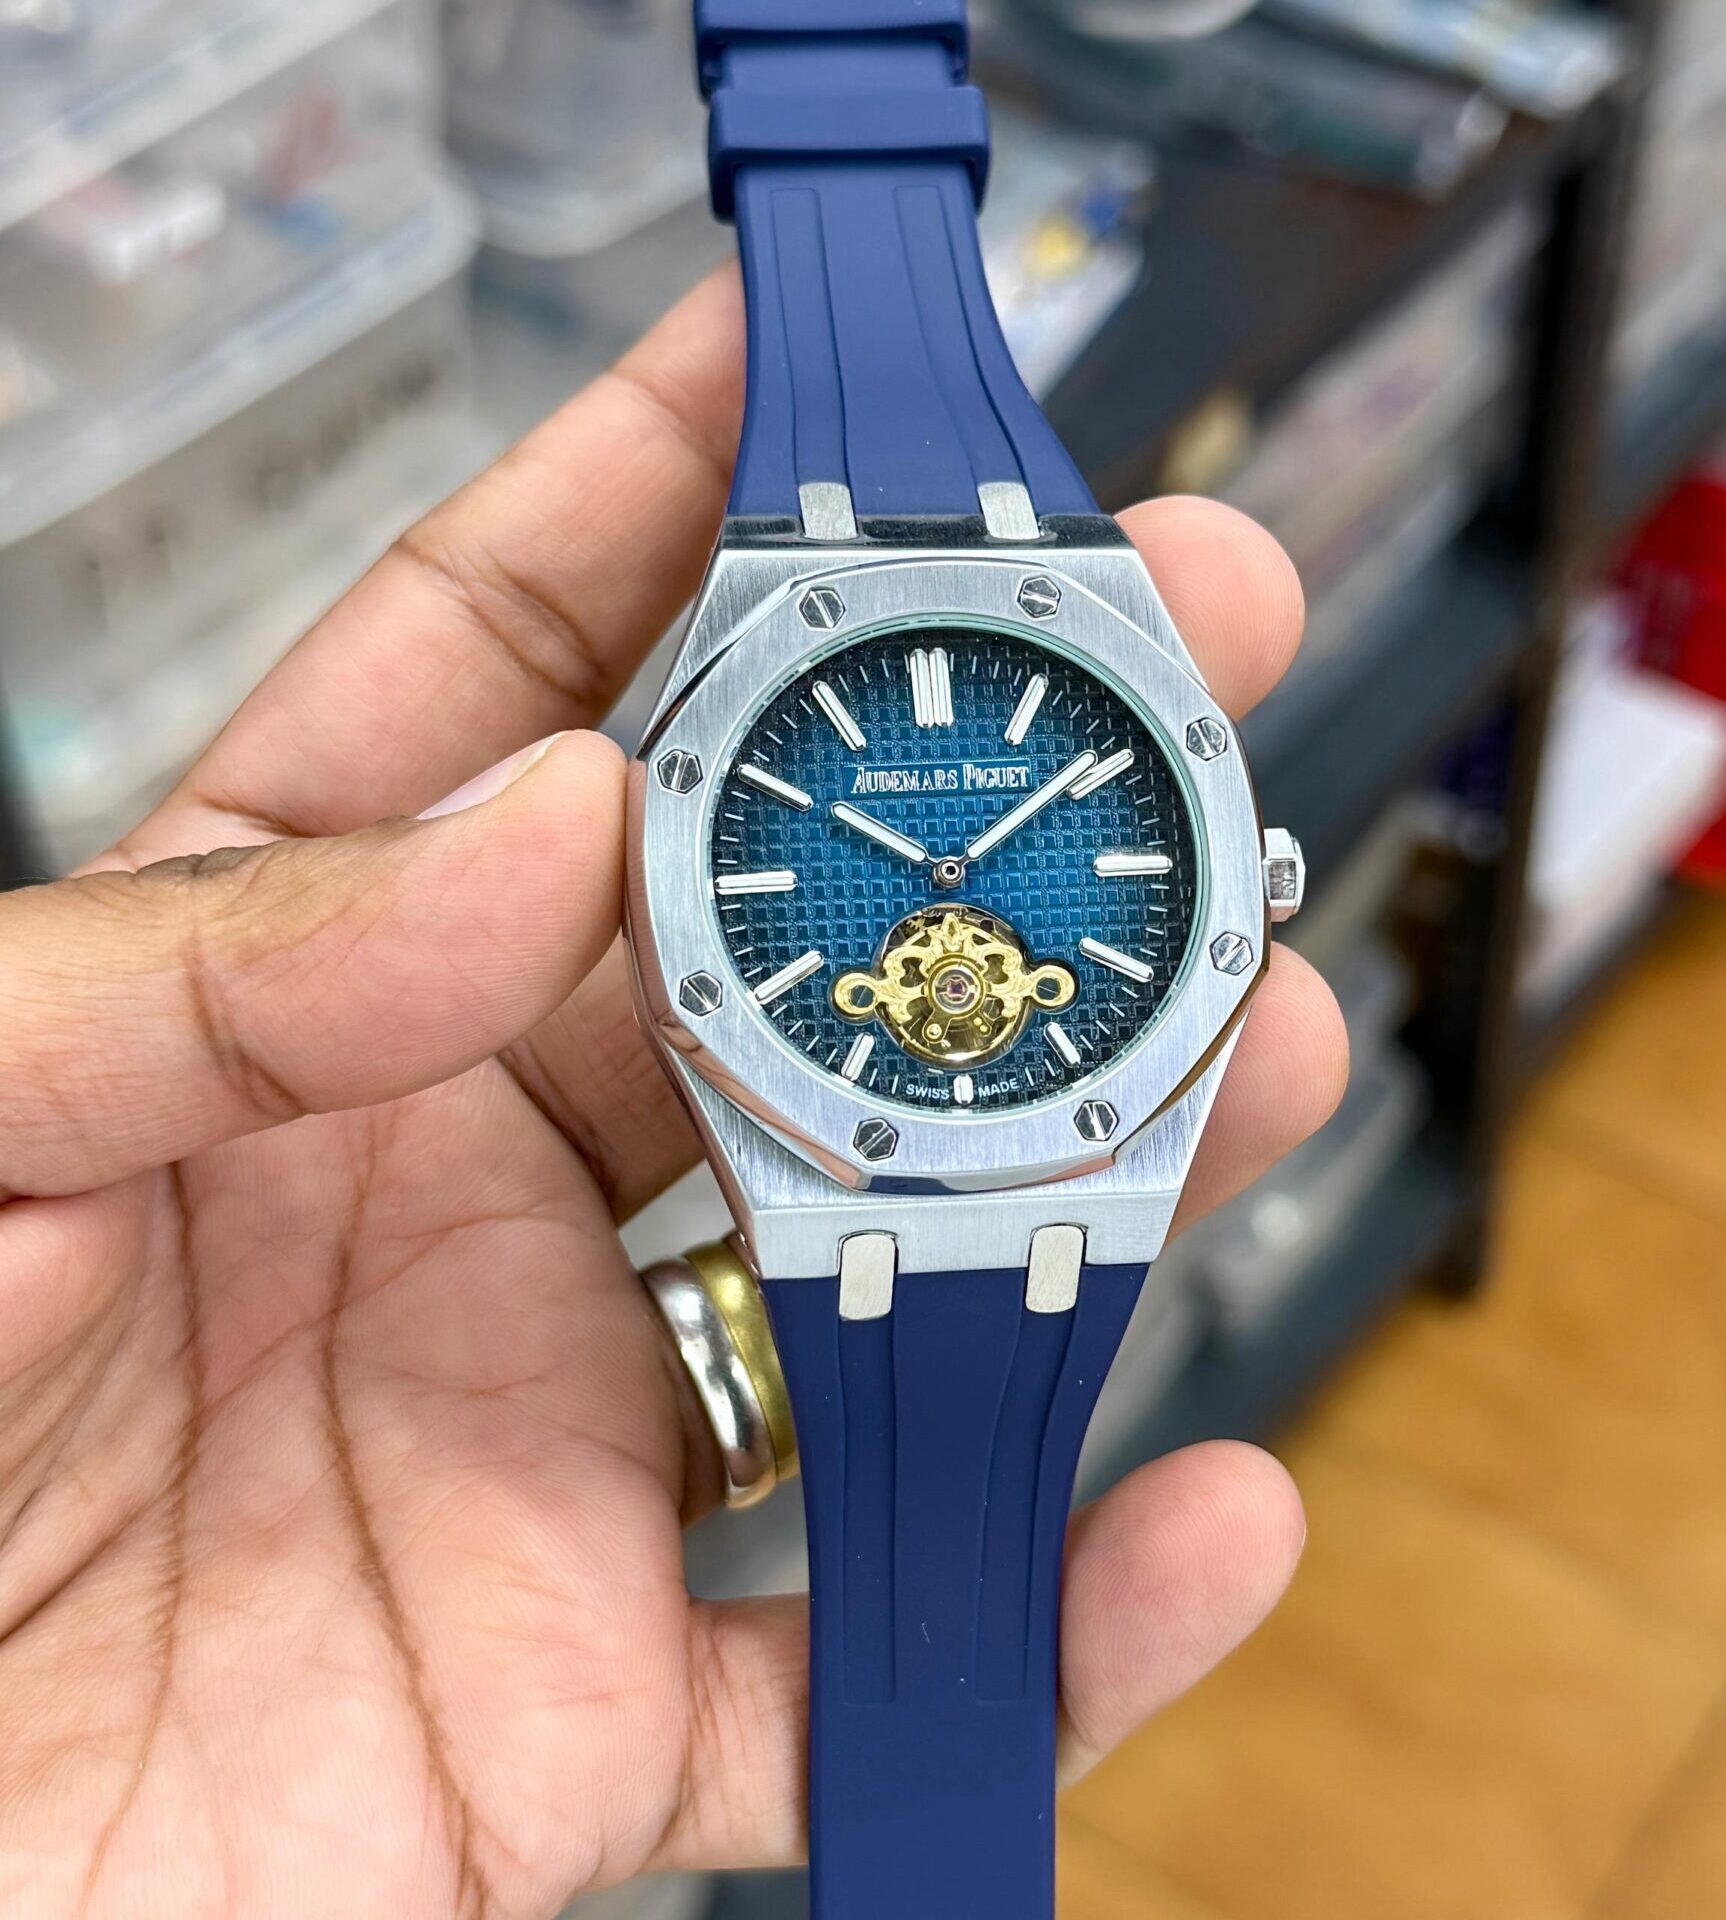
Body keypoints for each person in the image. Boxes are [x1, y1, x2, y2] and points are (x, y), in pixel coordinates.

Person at [0, 273, 1346, 1917]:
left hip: (1005, 1124)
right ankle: (935, 1841)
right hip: (938, 1117)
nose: (948, 876)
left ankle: (939, 1840)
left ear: (1246, 879)